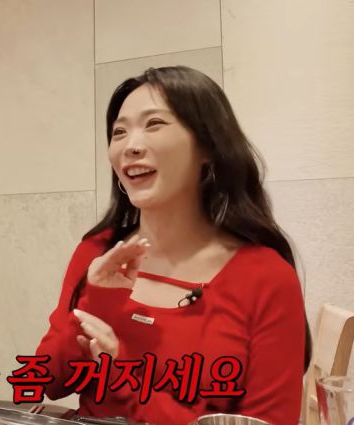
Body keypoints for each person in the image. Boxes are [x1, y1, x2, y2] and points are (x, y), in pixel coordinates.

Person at [36, 66, 311, 425]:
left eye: (154, 124)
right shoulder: (97, 251)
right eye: (119, 132)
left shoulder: (267, 278)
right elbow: (49, 380)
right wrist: (95, 301)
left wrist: (123, 378)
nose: (130, 146)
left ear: (208, 146)